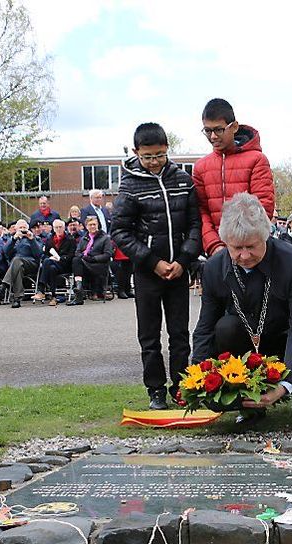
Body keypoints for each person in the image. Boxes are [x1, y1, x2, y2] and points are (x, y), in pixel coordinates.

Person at [192, 192, 292, 421]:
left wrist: (284, 384)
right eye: (236, 248)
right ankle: (248, 402)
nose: (244, 255)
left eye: (251, 246)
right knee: (225, 328)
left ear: (266, 236)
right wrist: (199, 378)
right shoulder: (213, 268)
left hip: (288, 332)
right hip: (245, 338)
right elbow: (205, 326)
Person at [110, 122, 202, 410]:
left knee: (180, 334)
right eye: (148, 156)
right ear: (136, 152)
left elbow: (195, 224)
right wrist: (153, 261)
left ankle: (181, 387)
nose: (154, 162)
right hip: (148, 271)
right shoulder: (129, 184)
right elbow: (120, 232)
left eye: (160, 155)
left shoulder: (182, 180)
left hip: (179, 269)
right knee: (149, 336)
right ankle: (155, 390)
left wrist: (183, 260)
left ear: (167, 150)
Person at [192, 98, 274, 255]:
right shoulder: (201, 167)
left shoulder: (257, 159)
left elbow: (263, 207)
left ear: (234, 126)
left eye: (219, 130)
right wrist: (214, 244)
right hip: (216, 252)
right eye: (207, 131)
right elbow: (201, 211)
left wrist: (240, 247)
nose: (213, 136)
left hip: (249, 251)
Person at [0, 219, 43, 308]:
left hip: (31, 263)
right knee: (17, 267)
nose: (22, 230)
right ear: (16, 229)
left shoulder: (36, 238)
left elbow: (38, 254)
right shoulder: (13, 239)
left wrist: (32, 240)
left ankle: (4, 285)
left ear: (28, 228)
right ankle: (17, 299)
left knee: (16, 260)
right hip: (16, 266)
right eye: (20, 228)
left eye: (24, 227)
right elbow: (5, 252)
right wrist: (14, 239)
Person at [69, 215, 114, 305]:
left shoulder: (105, 238)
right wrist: (83, 256)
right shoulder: (84, 238)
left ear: (98, 225)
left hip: (98, 265)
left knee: (77, 261)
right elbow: (77, 252)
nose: (92, 226)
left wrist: (93, 258)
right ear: (86, 226)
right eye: (90, 225)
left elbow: (108, 254)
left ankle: (79, 288)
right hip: (85, 263)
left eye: (94, 224)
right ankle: (79, 288)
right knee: (76, 259)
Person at [35, 218, 77, 306]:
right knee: (51, 267)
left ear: (64, 228)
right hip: (52, 264)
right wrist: (52, 258)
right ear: (53, 228)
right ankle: (54, 297)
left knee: (47, 262)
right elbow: (45, 254)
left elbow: (72, 255)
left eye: (60, 227)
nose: (58, 229)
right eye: (56, 227)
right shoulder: (50, 239)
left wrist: (60, 258)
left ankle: (41, 289)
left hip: (65, 265)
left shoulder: (70, 239)